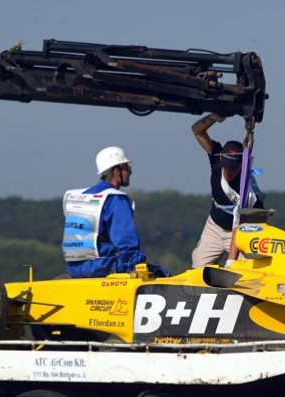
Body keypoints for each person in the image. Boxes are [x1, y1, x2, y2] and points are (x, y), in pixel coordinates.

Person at [62, 146, 167, 278]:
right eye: (127, 168)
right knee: (161, 273)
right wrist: (140, 265)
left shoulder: (80, 197)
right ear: (117, 171)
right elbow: (126, 245)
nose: (130, 172)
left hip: (74, 268)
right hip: (104, 266)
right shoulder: (115, 199)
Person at [190, 113, 265, 268]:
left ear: (242, 167)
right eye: (226, 167)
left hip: (240, 230)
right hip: (215, 226)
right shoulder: (217, 158)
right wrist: (215, 117)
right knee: (198, 265)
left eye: (233, 169)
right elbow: (197, 131)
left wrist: (231, 261)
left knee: (241, 271)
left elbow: (238, 225)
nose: (228, 172)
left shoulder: (247, 190)